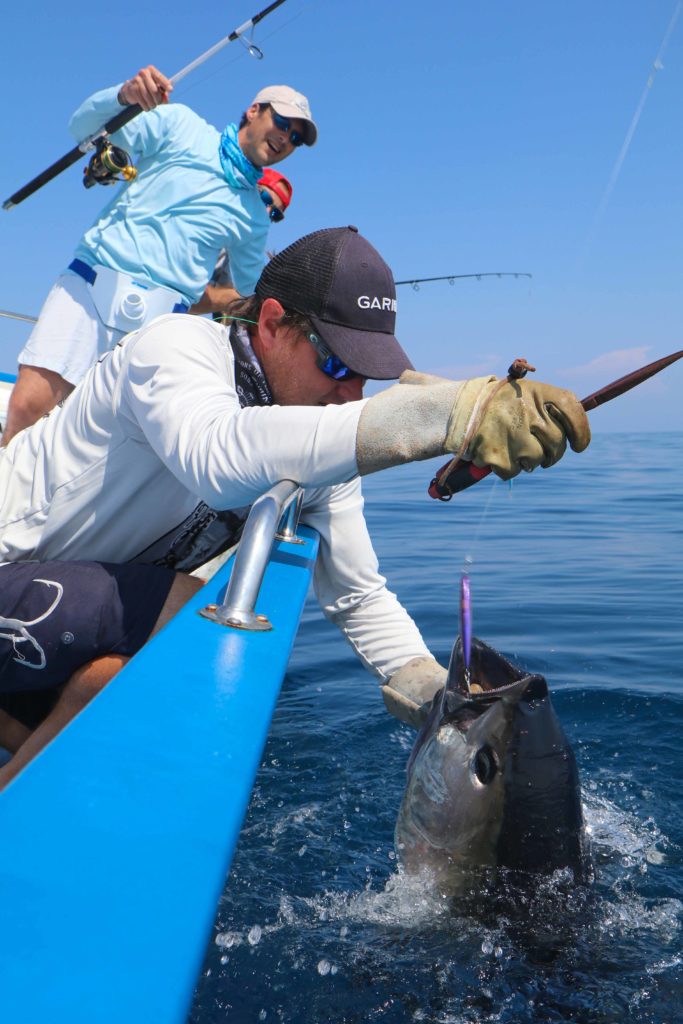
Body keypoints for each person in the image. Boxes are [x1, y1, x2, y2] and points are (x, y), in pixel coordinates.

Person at [0, 226, 591, 787]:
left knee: (153, 665)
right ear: (273, 322)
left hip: (55, 621)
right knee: (194, 609)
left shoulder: (317, 439)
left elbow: (358, 595)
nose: (348, 394)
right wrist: (443, 416)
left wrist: (442, 699)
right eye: (336, 363)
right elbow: (217, 456)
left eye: (366, 377)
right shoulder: (175, 346)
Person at [2, 68, 315, 445]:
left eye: (296, 138)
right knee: (26, 410)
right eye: (282, 122)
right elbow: (82, 127)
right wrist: (124, 95)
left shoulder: (253, 216)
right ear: (253, 110)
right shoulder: (182, 125)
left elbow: (255, 295)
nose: (286, 137)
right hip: (92, 284)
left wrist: (305, 322)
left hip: (158, 327)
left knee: (109, 451)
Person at [193, 168, 294, 319]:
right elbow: (180, 295)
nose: (266, 213)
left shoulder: (235, 252)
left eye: (275, 213)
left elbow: (222, 313)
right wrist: (237, 298)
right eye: (264, 198)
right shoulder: (200, 216)